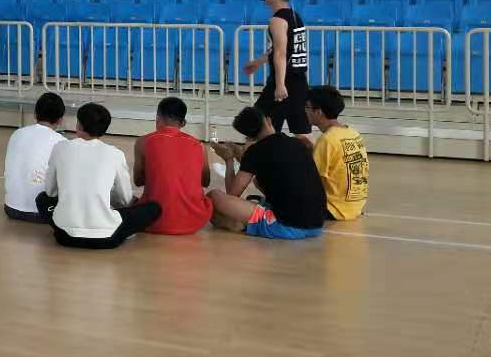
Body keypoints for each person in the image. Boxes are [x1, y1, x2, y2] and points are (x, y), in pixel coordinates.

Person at [42, 103, 162, 249]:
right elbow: (124, 199)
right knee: (153, 208)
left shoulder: (60, 148)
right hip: (106, 238)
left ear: (78, 125)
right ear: (104, 130)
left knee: (41, 199)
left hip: (64, 235)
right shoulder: (115, 154)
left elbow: (50, 192)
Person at [208, 106, 326, 239]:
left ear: (249, 137)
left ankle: (242, 224)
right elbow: (264, 165)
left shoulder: (255, 152)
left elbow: (232, 194)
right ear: (268, 120)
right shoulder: (297, 143)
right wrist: (241, 155)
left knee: (213, 196)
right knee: (258, 181)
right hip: (317, 223)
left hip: (287, 225)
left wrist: (228, 159)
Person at [242, 0, 312, 146]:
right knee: (301, 133)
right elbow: (286, 50)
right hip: (299, 82)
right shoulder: (295, 16)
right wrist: (258, 62)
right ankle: (309, 161)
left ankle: (249, 162)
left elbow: (281, 53)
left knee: (256, 126)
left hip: (282, 83)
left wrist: (280, 85)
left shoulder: (277, 20)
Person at [132, 97, 212, 235]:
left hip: (152, 221)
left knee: (127, 200)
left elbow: (138, 181)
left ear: (157, 118)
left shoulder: (143, 142)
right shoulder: (199, 145)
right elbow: (205, 182)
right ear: (183, 123)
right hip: (193, 221)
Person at [306, 85, 369, 221]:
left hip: (333, 209)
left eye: (308, 107)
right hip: (354, 207)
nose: (305, 111)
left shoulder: (327, 140)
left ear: (319, 112)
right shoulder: (352, 133)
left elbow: (309, 180)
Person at [2, 91, 66, 222]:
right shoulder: (61, 142)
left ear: (35, 114)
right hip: (44, 212)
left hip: (11, 208)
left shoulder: (17, 134)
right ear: (60, 119)